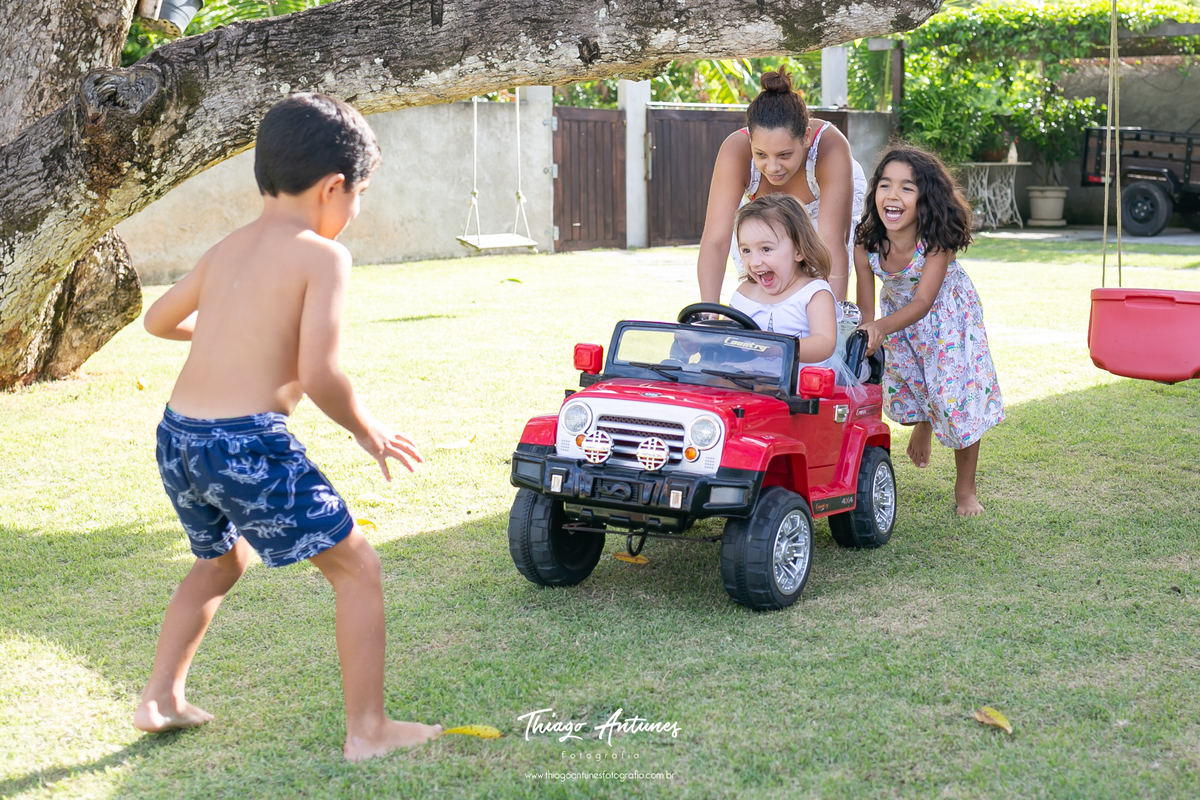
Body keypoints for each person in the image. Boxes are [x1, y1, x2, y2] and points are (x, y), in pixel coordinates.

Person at [134, 93, 442, 760]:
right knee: (358, 569)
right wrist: (368, 429)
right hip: (245, 443)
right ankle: (370, 730)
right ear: (335, 187)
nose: (355, 210)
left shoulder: (228, 248)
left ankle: (160, 697)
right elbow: (321, 374)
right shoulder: (323, 258)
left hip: (179, 436)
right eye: (360, 194)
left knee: (219, 559)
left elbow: (157, 320)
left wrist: (232, 337)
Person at [853, 145, 1004, 518]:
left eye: (907, 187)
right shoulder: (866, 242)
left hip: (947, 319)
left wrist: (879, 328)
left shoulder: (936, 241)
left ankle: (965, 489)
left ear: (925, 198)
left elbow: (922, 303)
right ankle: (923, 419)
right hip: (899, 321)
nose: (892, 195)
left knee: (953, 397)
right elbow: (867, 307)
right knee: (909, 382)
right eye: (885, 184)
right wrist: (865, 332)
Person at [698, 68, 867, 306]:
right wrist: (708, 314)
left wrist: (832, 322)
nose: (773, 167)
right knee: (766, 283)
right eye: (761, 155)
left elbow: (831, 241)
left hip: (824, 215)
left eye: (784, 154)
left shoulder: (831, 147)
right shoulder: (735, 152)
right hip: (766, 213)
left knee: (814, 296)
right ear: (750, 142)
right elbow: (715, 240)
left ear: (806, 138)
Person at [729, 195, 840, 371]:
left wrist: (778, 347)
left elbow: (824, 343)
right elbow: (727, 336)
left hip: (798, 392)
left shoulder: (814, 294)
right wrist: (698, 341)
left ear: (798, 250)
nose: (754, 261)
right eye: (746, 250)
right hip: (746, 386)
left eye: (766, 249)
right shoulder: (745, 292)